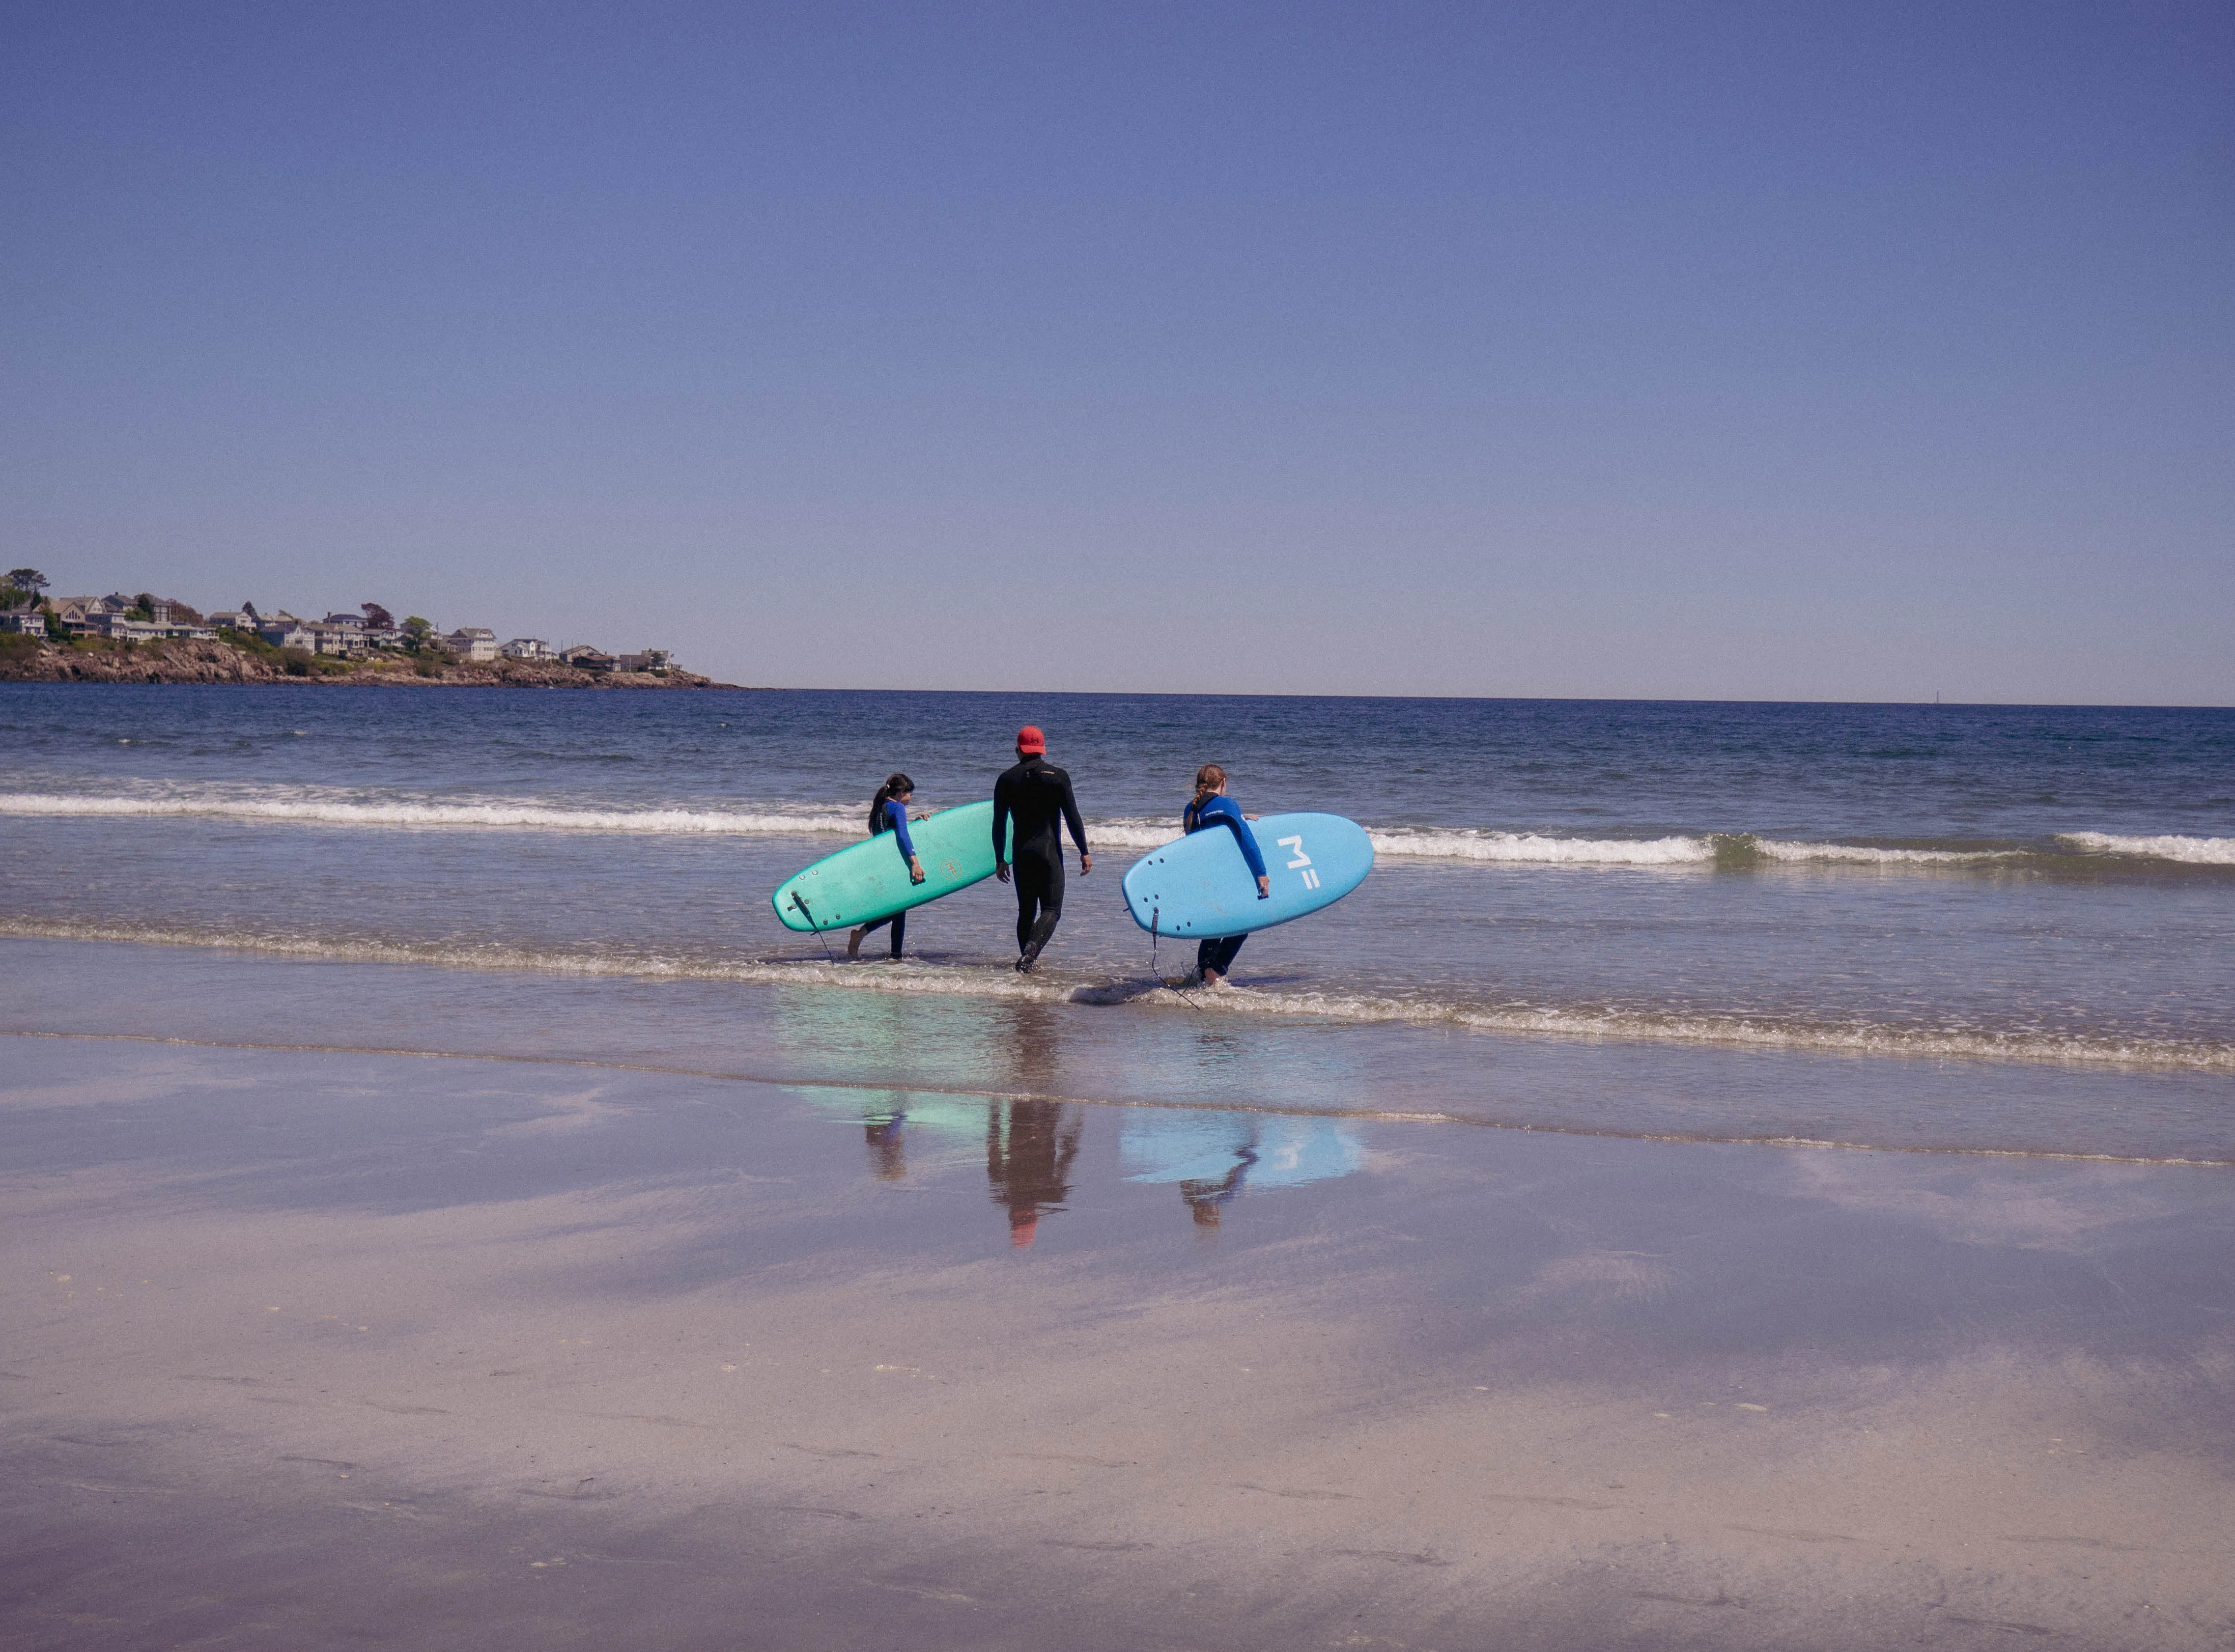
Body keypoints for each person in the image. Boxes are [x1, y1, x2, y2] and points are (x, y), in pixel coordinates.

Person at [991, 726, 1090, 973]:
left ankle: (1027, 964)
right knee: (1051, 909)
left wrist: (999, 859)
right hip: (1048, 852)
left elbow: (999, 822)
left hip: (1021, 853)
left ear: (1018, 750)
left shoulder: (1006, 779)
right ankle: (1030, 954)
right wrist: (1084, 851)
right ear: (1041, 750)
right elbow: (1073, 817)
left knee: (1026, 911)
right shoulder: (1057, 776)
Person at [1182, 763, 1270, 985]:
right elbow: (1247, 842)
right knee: (1241, 925)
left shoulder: (1190, 809)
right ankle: (1216, 972)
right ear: (1223, 783)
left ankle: (1204, 975)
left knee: (1214, 927)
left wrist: (1239, 819)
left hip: (1202, 877)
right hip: (1227, 877)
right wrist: (1261, 873)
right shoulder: (1228, 804)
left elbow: (1202, 839)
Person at [847, 773, 927, 960]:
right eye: (910, 794)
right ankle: (865, 936)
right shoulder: (898, 807)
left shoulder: (879, 807)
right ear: (902, 793)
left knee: (898, 910)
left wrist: (914, 824)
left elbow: (888, 834)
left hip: (879, 864)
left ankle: (895, 954)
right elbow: (902, 837)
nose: (911, 798)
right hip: (894, 865)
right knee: (898, 909)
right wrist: (915, 863)